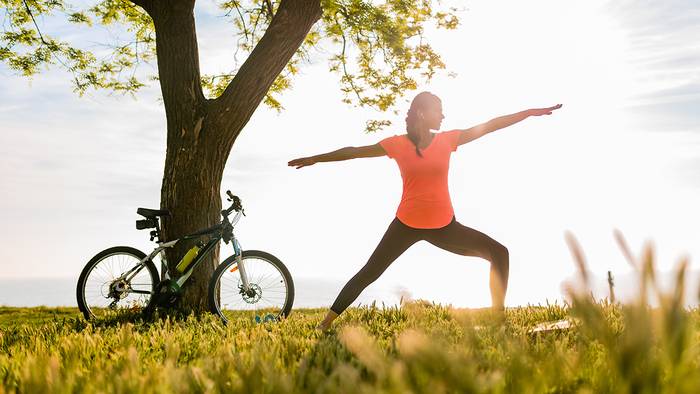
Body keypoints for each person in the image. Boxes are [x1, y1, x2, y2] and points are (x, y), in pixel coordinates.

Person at [288, 91, 562, 331]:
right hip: (406, 224)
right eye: (438, 110)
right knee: (370, 272)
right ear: (421, 112)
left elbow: (490, 126)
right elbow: (355, 151)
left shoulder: (448, 140)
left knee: (499, 253)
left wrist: (528, 113)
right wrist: (316, 159)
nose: (443, 115)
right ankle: (325, 323)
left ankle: (498, 320)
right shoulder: (397, 144)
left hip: (444, 226)